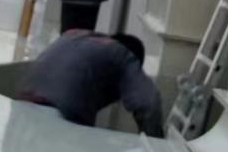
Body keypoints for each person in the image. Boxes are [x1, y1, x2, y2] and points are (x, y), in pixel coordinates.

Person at [18, 30, 164, 136]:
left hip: (24, 103)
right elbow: (149, 102)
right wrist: (154, 144)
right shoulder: (124, 55)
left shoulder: (73, 36)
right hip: (64, 112)